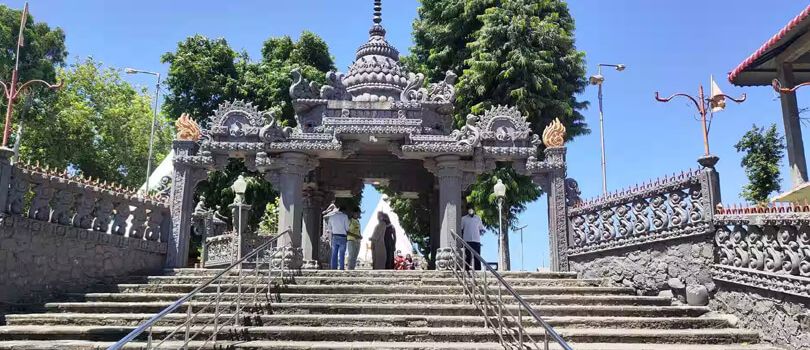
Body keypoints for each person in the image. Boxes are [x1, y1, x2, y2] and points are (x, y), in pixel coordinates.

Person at [323, 203, 350, 270]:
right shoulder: (345, 216)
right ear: (344, 210)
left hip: (335, 236)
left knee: (334, 253)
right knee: (342, 253)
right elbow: (347, 228)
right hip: (343, 236)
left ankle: (333, 268)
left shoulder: (332, 217)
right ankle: (341, 268)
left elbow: (329, 228)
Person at [460, 205, 485, 270]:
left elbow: (481, 228)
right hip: (467, 240)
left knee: (477, 256)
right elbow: (461, 229)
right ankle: (466, 270)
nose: (471, 210)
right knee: (467, 256)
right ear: (467, 210)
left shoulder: (478, 218)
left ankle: (478, 271)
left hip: (476, 240)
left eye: (472, 209)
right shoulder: (463, 219)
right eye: (469, 209)